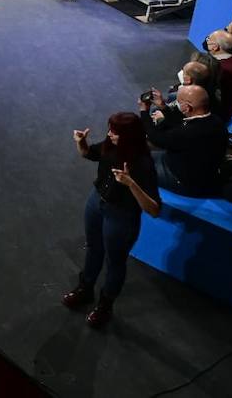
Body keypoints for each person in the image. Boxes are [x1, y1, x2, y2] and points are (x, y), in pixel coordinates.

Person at [63, 114, 161, 329]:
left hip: (121, 215)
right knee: (93, 248)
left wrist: (130, 184)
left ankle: (105, 306)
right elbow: (89, 154)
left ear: (128, 136)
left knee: (115, 262)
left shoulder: (143, 163)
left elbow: (154, 209)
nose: (109, 135)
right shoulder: (110, 145)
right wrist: (81, 143)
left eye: (114, 132)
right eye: (110, 129)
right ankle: (85, 289)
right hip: (96, 202)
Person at [139, 85, 225, 196]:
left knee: (136, 161)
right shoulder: (216, 121)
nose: (177, 104)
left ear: (187, 107)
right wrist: (163, 107)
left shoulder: (186, 133)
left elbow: (155, 138)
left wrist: (144, 112)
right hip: (205, 173)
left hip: (183, 180)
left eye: (179, 102)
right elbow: (180, 123)